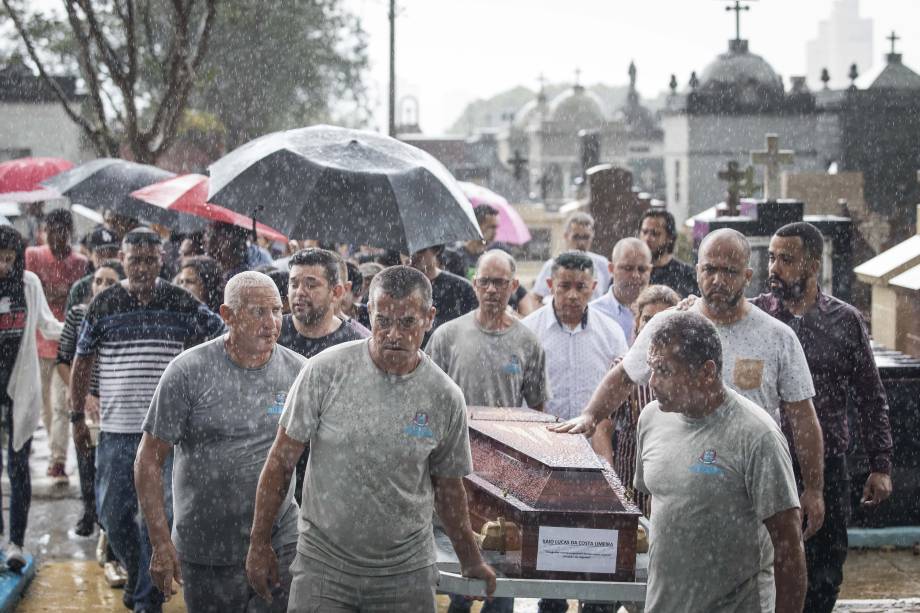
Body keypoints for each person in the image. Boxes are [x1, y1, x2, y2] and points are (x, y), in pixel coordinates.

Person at [551, 228, 825, 610]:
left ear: (748, 276)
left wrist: (813, 487)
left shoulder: (776, 337)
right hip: (681, 474)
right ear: (696, 271)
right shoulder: (670, 329)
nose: (717, 280)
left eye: (729, 271)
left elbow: (802, 415)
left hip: (747, 476)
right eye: (709, 269)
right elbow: (625, 376)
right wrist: (590, 415)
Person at [246, 265, 496, 612]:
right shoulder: (324, 372)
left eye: (408, 322)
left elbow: (449, 490)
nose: (393, 334)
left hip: (405, 572)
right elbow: (280, 463)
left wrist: (470, 558)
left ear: (429, 318)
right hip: (324, 568)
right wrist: (259, 542)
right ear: (368, 313)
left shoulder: (444, 396)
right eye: (383, 321)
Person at [70, 227, 225, 613]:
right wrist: (75, 413)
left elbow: (221, 337)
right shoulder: (103, 303)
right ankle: (141, 578)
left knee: (161, 519)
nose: (141, 266)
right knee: (113, 514)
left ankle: (145, 600)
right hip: (117, 430)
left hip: (167, 433)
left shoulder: (181, 302)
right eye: (134, 259)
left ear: (161, 262)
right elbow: (82, 360)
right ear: (122, 260)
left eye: (149, 260)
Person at [136, 272, 306, 613]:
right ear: (227, 315)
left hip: (279, 537)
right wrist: (160, 542)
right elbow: (148, 460)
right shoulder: (188, 372)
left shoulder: (299, 372)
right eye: (258, 312)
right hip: (205, 545)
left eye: (276, 310)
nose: (271, 323)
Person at [752, 221, 893, 612]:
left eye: (786, 259)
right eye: (771, 258)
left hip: (827, 466)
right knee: (765, 565)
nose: (774, 268)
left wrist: (880, 464)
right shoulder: (759, 316)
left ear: (813, 265)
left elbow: (870, 396)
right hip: (767, 462)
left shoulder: (844, 321)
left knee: (825, 569)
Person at [635, 311, 806, 612]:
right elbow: (664, 505)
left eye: (664, 370)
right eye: (651, 368)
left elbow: (789, 545)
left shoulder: (756, 435)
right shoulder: (651, 419)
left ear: (706, 372)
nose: (652, 381)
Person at [428, 249, 548, 613]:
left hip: (504, 475)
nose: (492, 289)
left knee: (502, 568)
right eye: (485, 281)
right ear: (474, 284)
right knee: (459, 569)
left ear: (513, 286)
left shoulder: (527, 342)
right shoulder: (448, 336)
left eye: (500, 282)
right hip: (455, 468)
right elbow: (428, 400)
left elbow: (538, 410)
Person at [277, 248, 367, 504]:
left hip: (331, 478)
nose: (299, 292)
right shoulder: (272, 334)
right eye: (293, 283)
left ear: (336, 292)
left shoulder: (357, 345)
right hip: (275, 467)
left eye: (311, 284)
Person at [0, 226, 63, 571]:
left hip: (19, 384)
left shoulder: (28, 284)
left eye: (9, 259)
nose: (3, 266)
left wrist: (80, 326)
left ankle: (16, 543)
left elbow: (47, 325)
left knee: (18, 466)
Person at [57, 260, 124, 537]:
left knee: (111, 464)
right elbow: (63, 360)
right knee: (85, 458)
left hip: (115, 402)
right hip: (84, 401)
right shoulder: (77, 314)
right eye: (98, 280)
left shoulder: (125, 316)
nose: (103, 286)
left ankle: (110, 520)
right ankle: (89, 511)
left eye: (110, 282)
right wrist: (82, 397)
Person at [522, 251, 627, 422]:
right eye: (564, 286)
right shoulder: (528, 331)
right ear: (550, 285)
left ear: (593, 287)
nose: (572, 295)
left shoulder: (611, 333)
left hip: (592, 439)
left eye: (581, 287)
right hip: (540, 437)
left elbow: (620, 388)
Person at [25, 208, 88, 483]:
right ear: (44, 232)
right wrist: (62, 292)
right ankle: (56, 449)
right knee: (45, 408)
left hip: (67, 345)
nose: (54, 238)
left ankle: (58, 460)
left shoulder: (80, 262)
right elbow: (34, 292)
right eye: (50, 232)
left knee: (62, 405)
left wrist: (56, 293)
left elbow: (77, 296)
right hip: (38, 343)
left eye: (60, 232)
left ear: (68, 233)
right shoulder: (33, 256)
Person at [607, 284, 679, 512]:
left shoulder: (687, 373)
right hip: (629, 479)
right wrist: (608, 474)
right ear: (637, 322)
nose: (654, 327)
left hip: (673, 476)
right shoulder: (623, 368)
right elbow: (603, 424)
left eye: (663, 320)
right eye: (648, 319)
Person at [528, 212, 611, 305]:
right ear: (566, 236)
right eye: (576, 237)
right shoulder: (552, 265)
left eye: (586, 237)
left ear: (592, 237)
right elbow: (535, 298)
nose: (581, 243)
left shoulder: (603, 264)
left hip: (595, 318)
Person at [405, 245, 478, 341]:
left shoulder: (462, 288)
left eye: (420, 250)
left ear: (436, 250)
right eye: (405, 250)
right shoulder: (394, 287)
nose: (412, 255)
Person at [590, 237, 652, 344]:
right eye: (628, 268)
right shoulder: (593, 313)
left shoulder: (661, 312)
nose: (635, 275)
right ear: (611, 269)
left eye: (642, 269)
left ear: (650, 270)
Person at [639, 209, 698, 298]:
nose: (647, 238)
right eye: (644, 232)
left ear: (669, 237)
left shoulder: (687, 275)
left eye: (655, 233)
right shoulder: (631, 272)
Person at [65, 226, 121, 313]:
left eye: (111, 254)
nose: (107, 259)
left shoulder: (127, 284)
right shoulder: (80, 288)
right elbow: (70, 322)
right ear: (90, 255)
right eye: (101, 255)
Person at [441, 204, 501, 281]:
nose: (495, 232)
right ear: (476, 226)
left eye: (496, 228)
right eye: (492, 227)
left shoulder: (492, 258)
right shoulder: (455, 257)